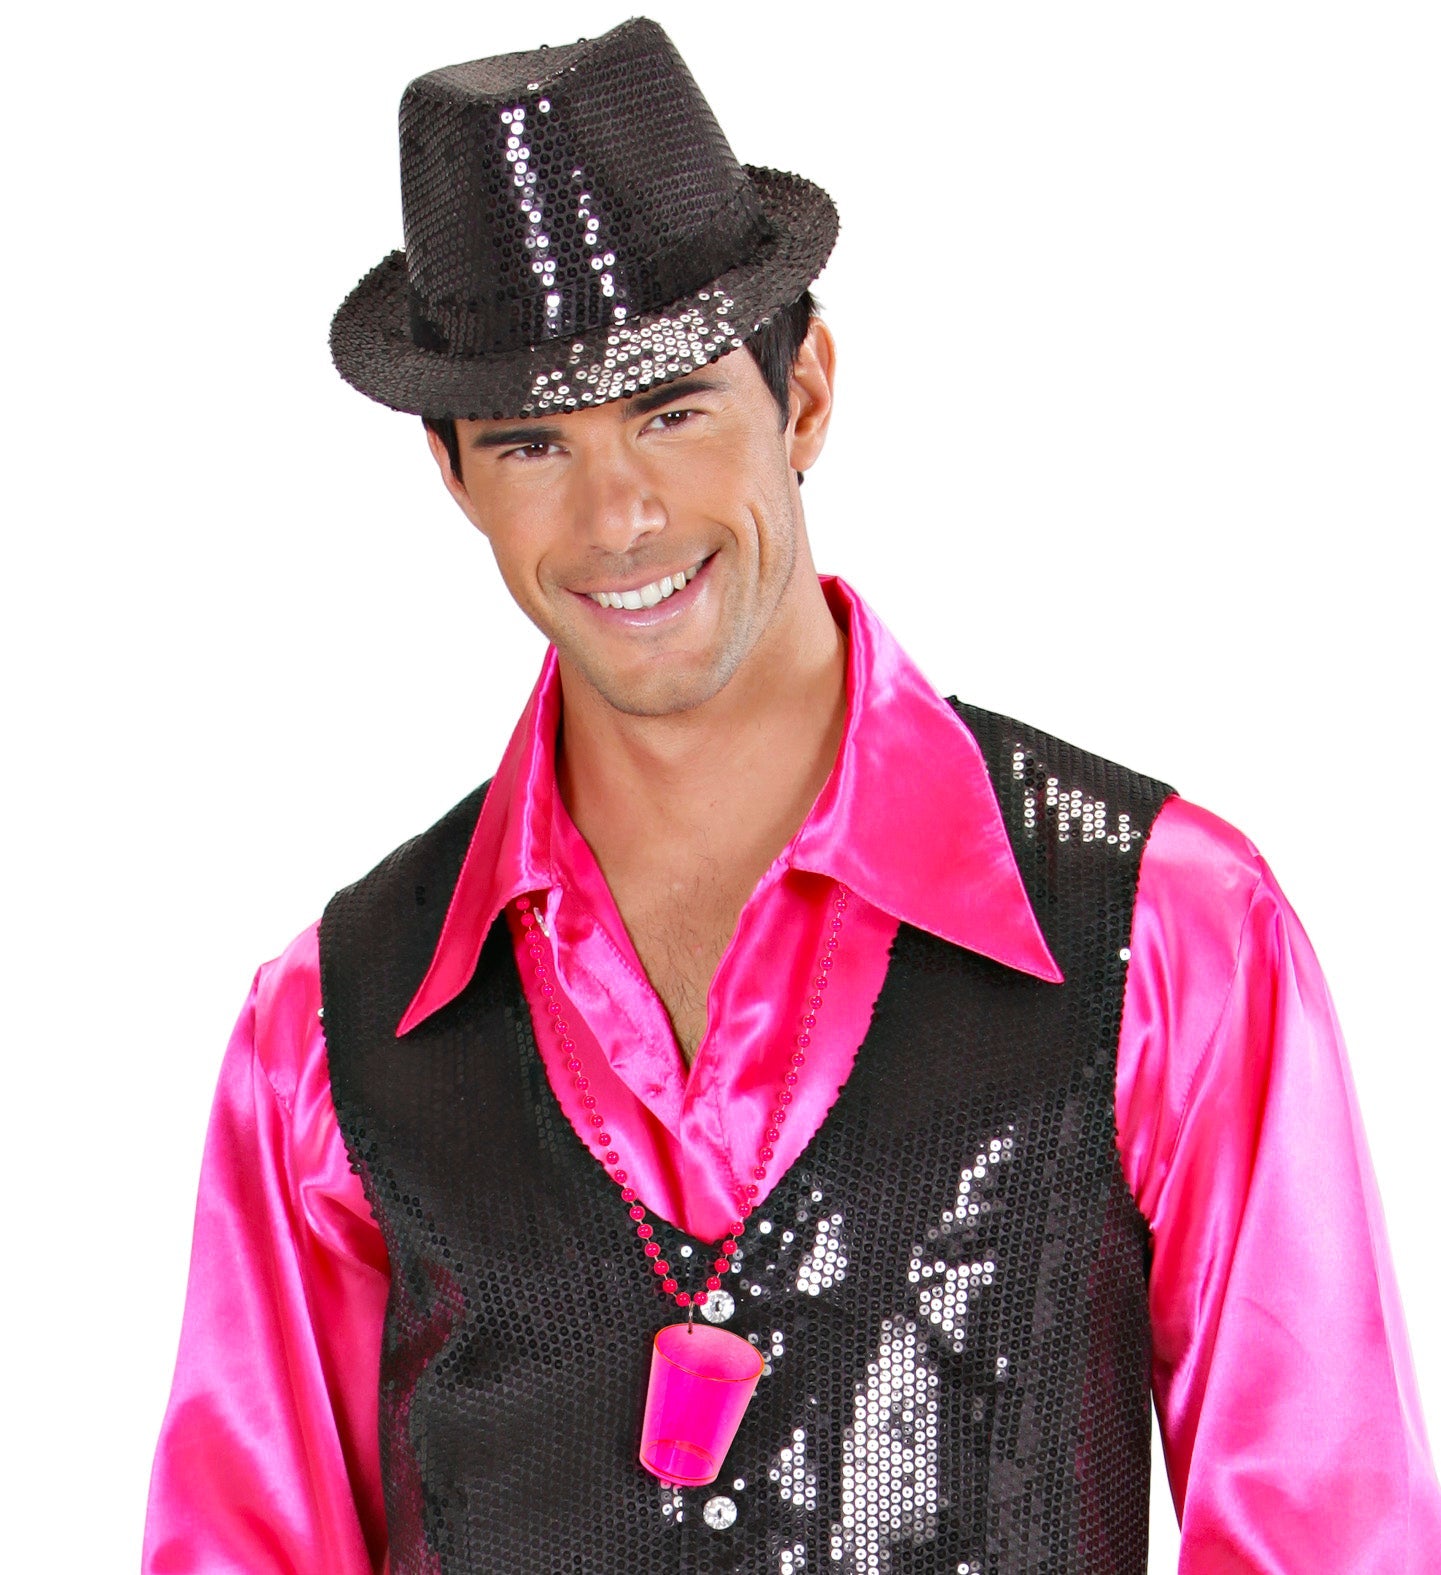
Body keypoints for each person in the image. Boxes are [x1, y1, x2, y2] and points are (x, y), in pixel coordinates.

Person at [143, 18, 1441, 1572]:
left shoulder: (1160, 926)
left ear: (804, 393)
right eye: (533, 443)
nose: (618, 517)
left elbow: (1328, 1529)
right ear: (453, 475)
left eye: (673, 411)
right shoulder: (329, 1028)